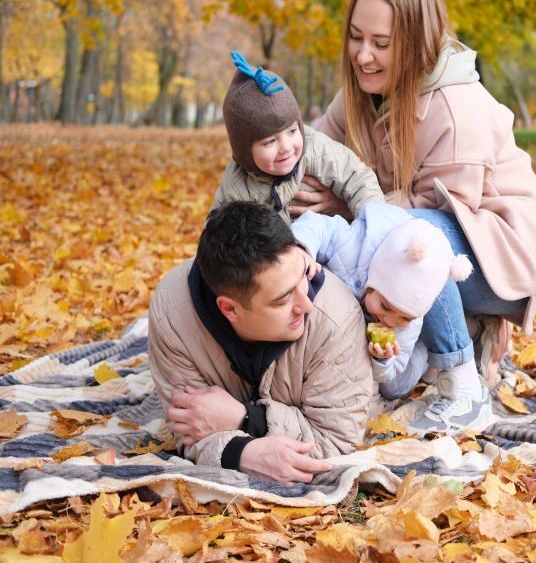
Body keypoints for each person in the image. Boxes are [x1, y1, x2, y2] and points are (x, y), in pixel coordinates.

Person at [288, 0, 536, 383]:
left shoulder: (457, 108)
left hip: (496, 255)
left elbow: (437, 213)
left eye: (381, 43)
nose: (363, 55)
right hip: (416, 233)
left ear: (416, 43)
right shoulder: (359, 94)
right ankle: (465, 331)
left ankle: (461, 379)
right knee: (351, 243)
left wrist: (345, 207)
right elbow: (312, 156)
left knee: (409, 239)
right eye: (356, 37)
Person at [147, 201, 375, 486]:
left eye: (302, 276)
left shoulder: (336, 317)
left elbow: (336, 440)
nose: (305, 304)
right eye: (283, 300)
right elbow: (190, 428)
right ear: (229, 309)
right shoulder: (173, 313)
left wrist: (245, 419)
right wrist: (240, 454)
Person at [292, 203, 491, 434]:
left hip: (406, 357)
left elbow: (392, 373)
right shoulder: (352, 247)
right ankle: (466, 329)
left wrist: (383, 361)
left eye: (404, 317)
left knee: (394, 389)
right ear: (375, 278)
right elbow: (319, 225)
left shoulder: (407, 323)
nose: (390, 321)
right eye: (385, 306)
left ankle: (429, 354)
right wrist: (302, 250)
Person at [214, 51, 383, 224]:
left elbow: (359, 179)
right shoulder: (235, 183)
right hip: (272, 241)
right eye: (270, 141)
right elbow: (217, 228)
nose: (286, 147)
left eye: (292, 131)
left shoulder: (316, 150)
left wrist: (373, 226)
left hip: (330, 235)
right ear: (244, 152)